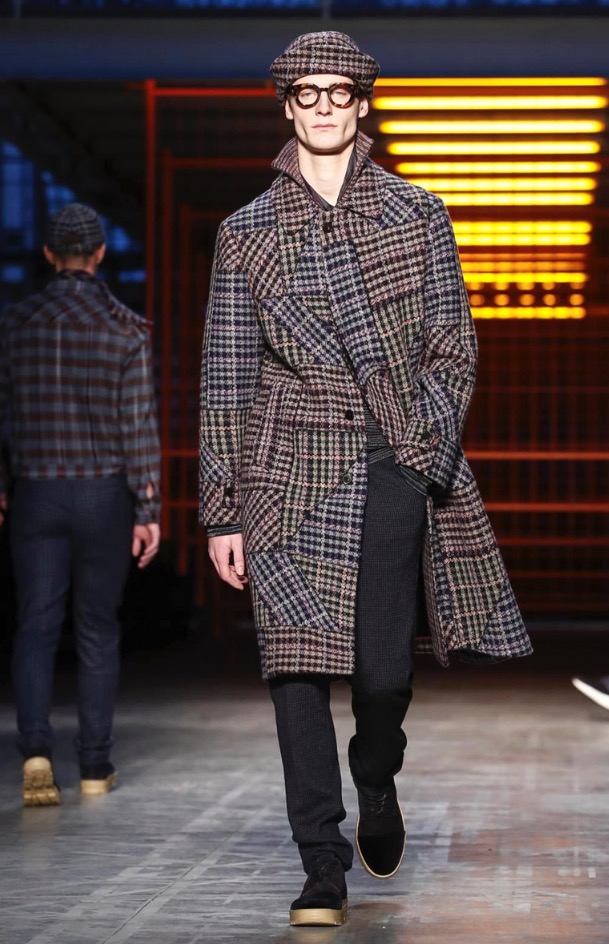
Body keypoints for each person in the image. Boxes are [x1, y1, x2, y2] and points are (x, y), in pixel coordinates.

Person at [199, 31, 532, 927]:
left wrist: (423, 453)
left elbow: (452, 347)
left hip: (389, 459)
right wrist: (221, 509)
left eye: (336, 92)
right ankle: (320, 864)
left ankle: (375, 774)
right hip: (283, 470)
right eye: (304, 93)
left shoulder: (416, 214)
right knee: (295, 671)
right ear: (286, 105)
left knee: (381, 676)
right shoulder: (246, 233)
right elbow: (226, 376)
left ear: (361, 102)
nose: (321, 107)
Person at [0, 203, 161, 807]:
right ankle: (94, 766)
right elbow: (137, 425)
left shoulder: (15, 326)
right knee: (97, 628)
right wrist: (148, 508)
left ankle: (36, 753)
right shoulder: (127, 329)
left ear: (49, 255)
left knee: (36, 625)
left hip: (36, 489)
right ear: (99, 254)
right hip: (103, 494)